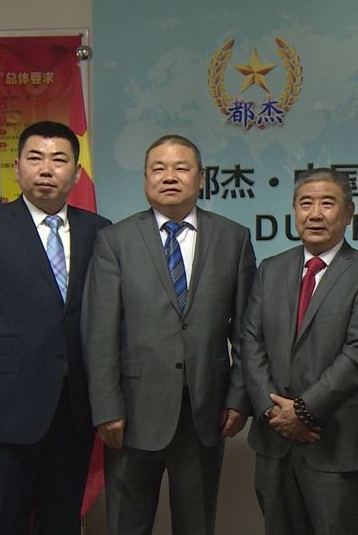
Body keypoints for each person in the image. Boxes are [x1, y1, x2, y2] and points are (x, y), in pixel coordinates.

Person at [81, 135, 256, 534]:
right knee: (128, 524)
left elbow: (247, 331)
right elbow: (101, 331)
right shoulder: (115, 240)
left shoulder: (233, 238)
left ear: (201, 178)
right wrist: (106, 407)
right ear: (145, 178)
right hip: (131, 413)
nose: (169, 177)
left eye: (181, 168)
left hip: (204, 411)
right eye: (158, 169)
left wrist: (239, 397)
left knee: (196, 524)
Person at [0, 120, 111, 534]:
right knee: (3, 522)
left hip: (74, 411)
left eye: (59, 160)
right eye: (35, 158)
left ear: (76, 172)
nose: (46, 169)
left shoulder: (100, 232)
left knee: (62, 522)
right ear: (17, 168)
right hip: (4, 412)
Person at [241, 168, 358, 535]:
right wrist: (273, 411)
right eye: (305, 203)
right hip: (273, 440)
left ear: (348, 213)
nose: (315, 214)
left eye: (327, 203)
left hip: (333, 441)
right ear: (294, 210)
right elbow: (251, 341)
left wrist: (303, 411)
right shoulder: (270, 270)